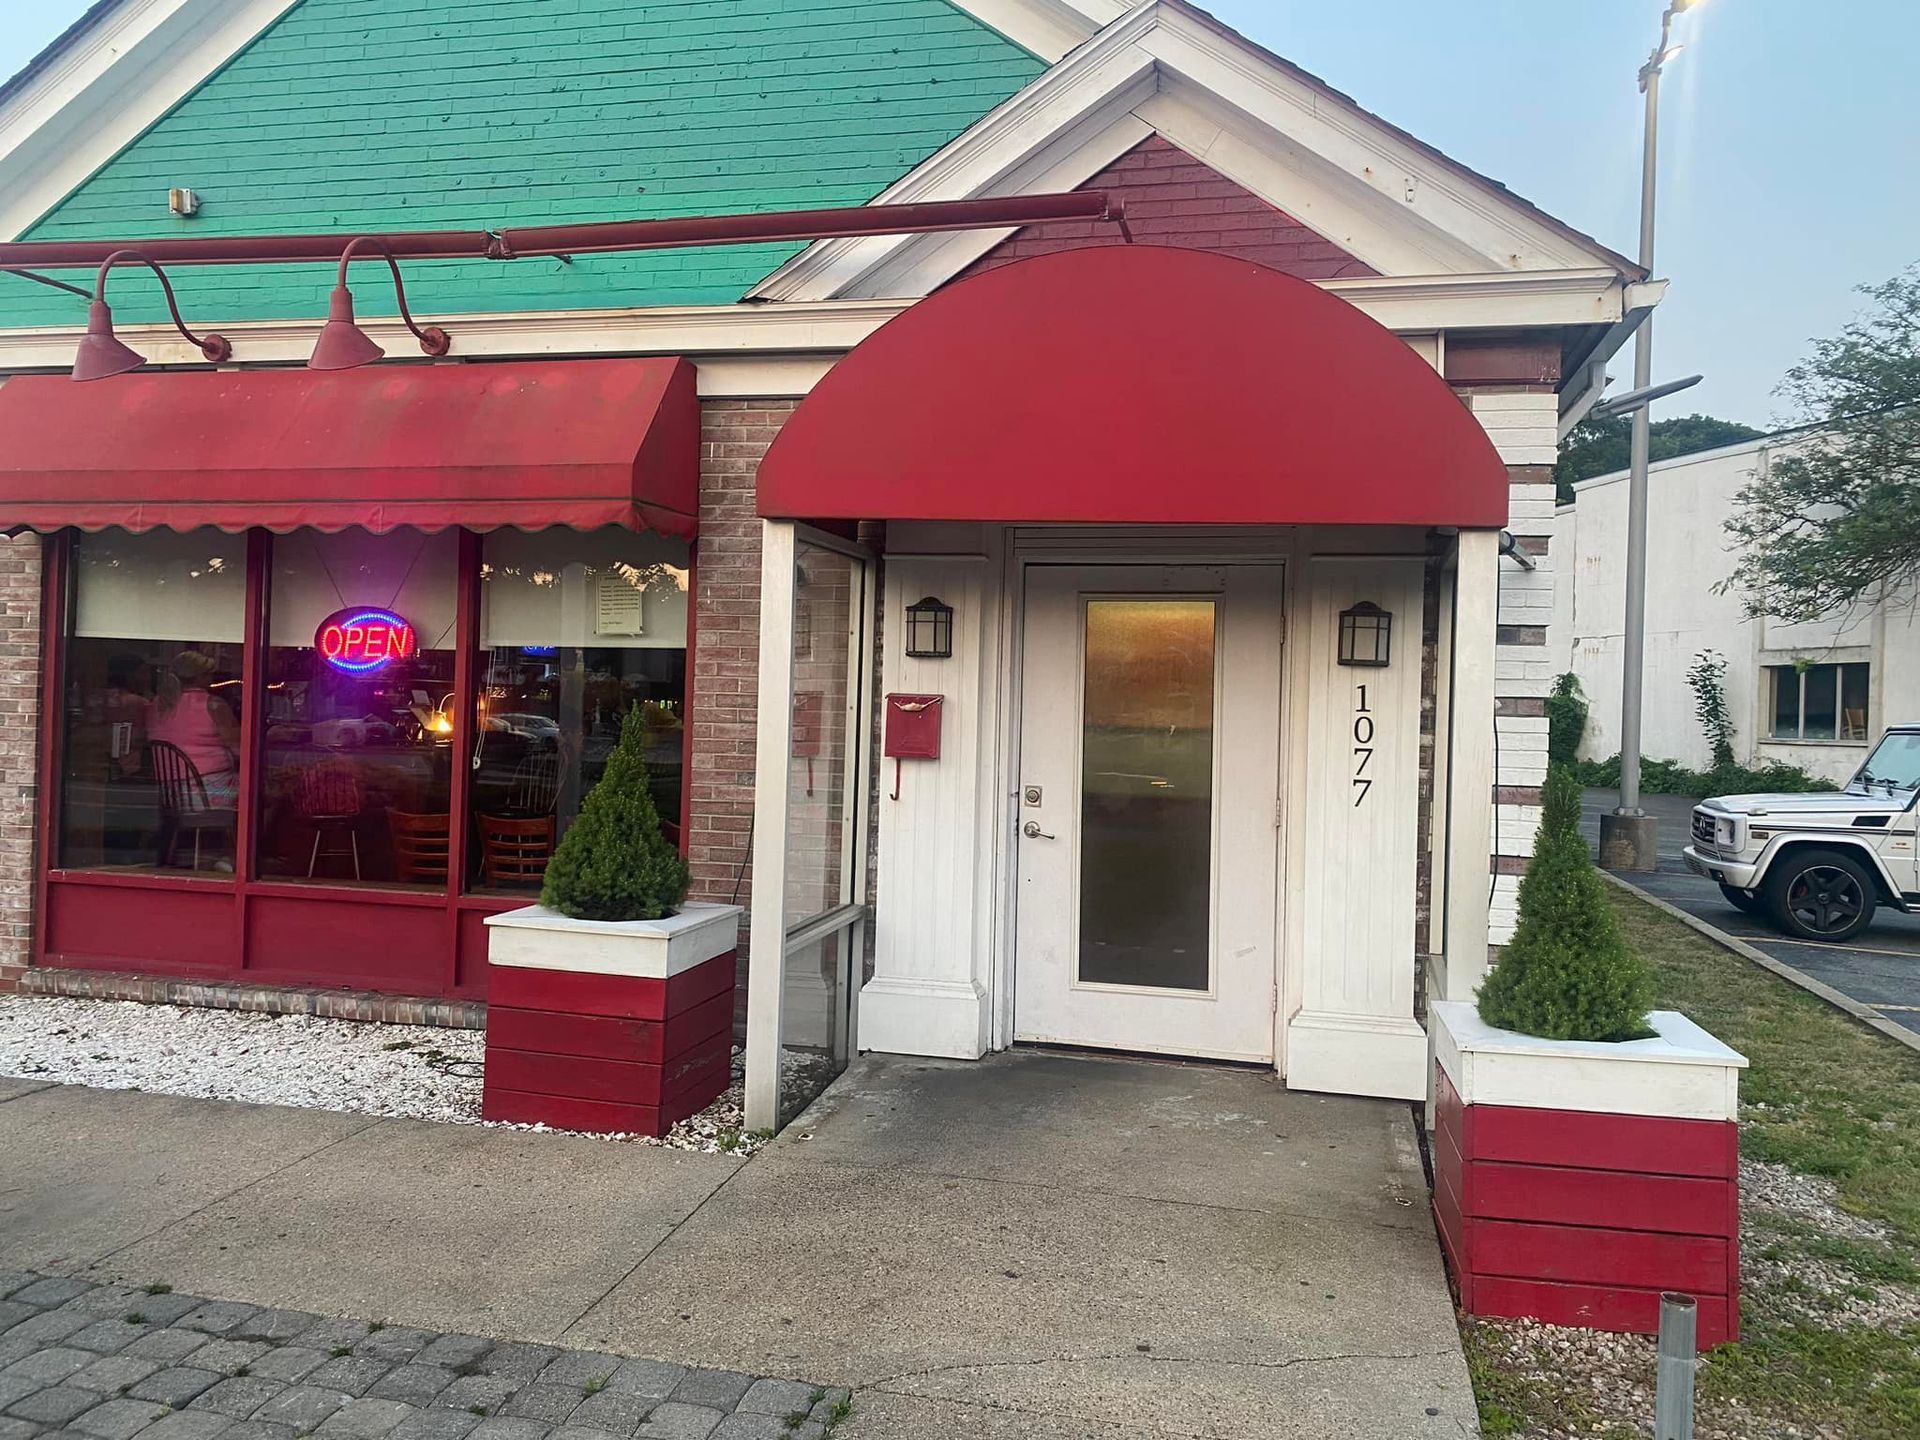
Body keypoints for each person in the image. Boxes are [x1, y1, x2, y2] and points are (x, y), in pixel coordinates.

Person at [148, 650, 240, 808]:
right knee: (265, 791)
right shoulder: (213, 705)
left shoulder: (156, 704)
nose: (212, 678)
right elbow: (239, 748)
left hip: (169, 795)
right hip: (209, 792)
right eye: (209, 674)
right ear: (200, 677)